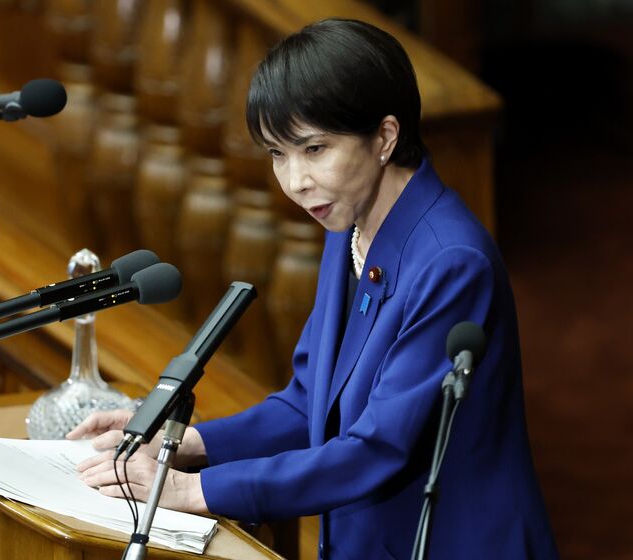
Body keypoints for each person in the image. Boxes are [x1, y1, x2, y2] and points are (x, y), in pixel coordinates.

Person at [69, 18, 558, 559]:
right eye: (278, 153)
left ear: (385, 138)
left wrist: (194, 491)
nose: (295, 181)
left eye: (314, 149)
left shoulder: (452, 262)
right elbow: (309, 406)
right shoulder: (346, 224)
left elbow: (377, 448)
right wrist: (187, 446)